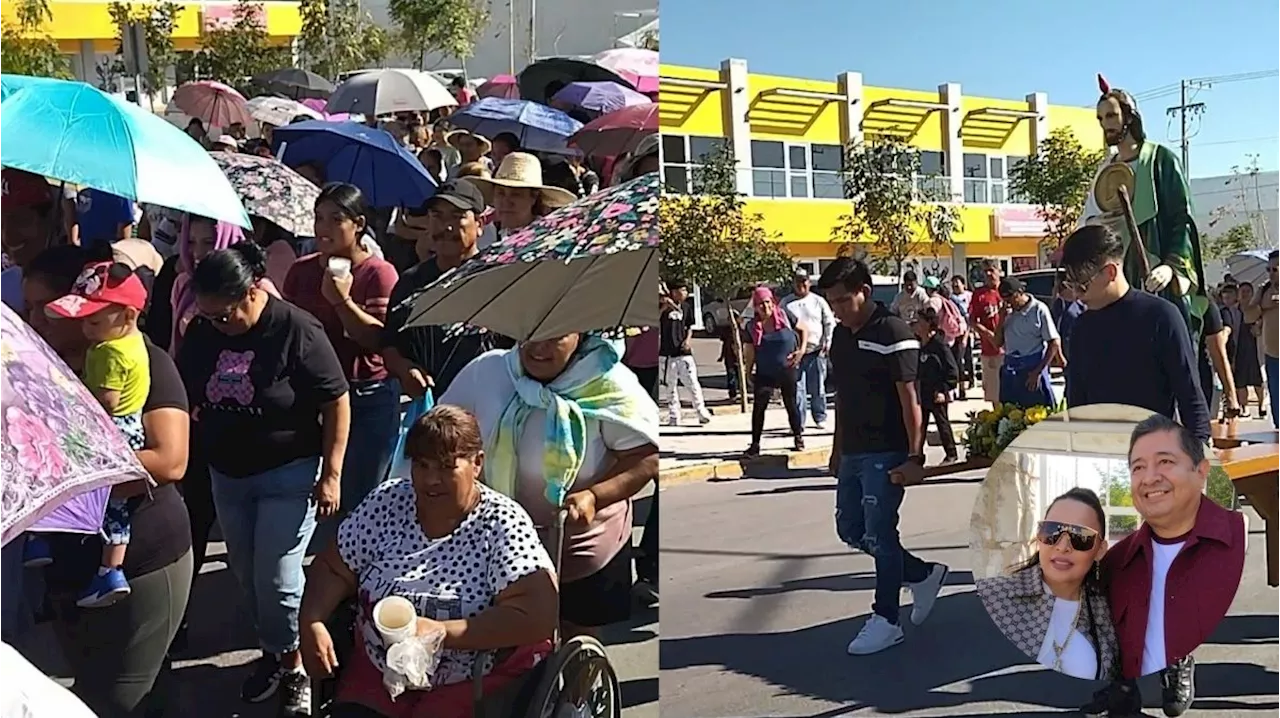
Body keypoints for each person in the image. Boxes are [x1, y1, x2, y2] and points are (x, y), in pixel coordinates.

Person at [178, 242, 351, 715]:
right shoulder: (203, 330)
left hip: (288, 471)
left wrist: (332, 473)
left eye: (224, 315)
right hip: (227, 473)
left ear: (254, 291)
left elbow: (336, 399)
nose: (217, 324)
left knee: (276, 577)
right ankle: (275, 650)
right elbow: (187, 383)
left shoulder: (296, 329)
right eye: (208, 315)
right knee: (246, 576)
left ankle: (295, 664)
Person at [298, 405, 558, 718]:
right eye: (422, 465)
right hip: (380, 669)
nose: (431, 480)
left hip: (473, 678)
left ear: (477, 463)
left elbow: (538, 615)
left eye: (446, 467)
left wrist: (442, 632)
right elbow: (333, 567)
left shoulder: (503, 522)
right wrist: (312, 620)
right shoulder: (388, 502)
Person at [23, 245, 193, 718]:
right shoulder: (36, 367)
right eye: (29, 306)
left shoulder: (145, 362)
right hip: (66, 562)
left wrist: (71, 472)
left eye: (45, 306)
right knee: (106, 685)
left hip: (140, 559)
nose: (34, 318)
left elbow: (170, 461)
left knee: (112, 700)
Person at [438, 334, 659, 640]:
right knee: (506, 640)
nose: (538, 348)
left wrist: (594, 496)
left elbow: (645, 459)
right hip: (499, 541)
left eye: (554, 337)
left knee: (576, 641)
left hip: (582, 542)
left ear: (580, 333)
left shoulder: (610, 382)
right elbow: (439, 429)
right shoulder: (486, 371)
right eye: (531, 335)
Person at [816, 257, 949, 656]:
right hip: (854, 451)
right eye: (832, 303)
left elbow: (911, 400)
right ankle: (922, 574)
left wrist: (915, 456)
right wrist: (837, 449)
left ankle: (887, 618)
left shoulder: (893, 332)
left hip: (887, 450)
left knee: (880, 532)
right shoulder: (841, 337)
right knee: (851, 530)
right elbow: (843, 398)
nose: (838, 309)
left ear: (865, 293)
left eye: (842, 300)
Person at [1088, 414, 1246, 718]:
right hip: (1111, 457)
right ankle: (1122, 683)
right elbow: (1079, 388)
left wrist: (1196, 451)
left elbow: (1187, 386)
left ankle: (1177, 657)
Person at [283, 183, 399, 516]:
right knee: (309, 497)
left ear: (358, 224)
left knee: (359, 501)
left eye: (336, 219)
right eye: (319, 218)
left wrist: (342, 301)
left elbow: (376, 340)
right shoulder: (301, 270)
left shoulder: (379, 273)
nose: (324, 228)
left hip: (366, 396)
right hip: (310, 397)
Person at [43, 261, 153, 608]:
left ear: (128, 316)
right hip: (131, 426)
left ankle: (99, 564)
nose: (86, 330)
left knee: (72, 477)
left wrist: (72, 395)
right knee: (114, 506)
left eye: (94, 321)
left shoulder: (108, 352)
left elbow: (106, 401)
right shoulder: (133, 343)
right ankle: (110, 568)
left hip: (111, 426)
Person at [1079, 75, 1209, 345]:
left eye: (1111, 116)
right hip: (1119, 278)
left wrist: (1172, 267)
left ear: (1129, 116)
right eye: (1101, 119)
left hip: (1156, 275)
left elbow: (1181, 220)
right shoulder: (1106, 171)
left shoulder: (1161, 160)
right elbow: (1090, 222)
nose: (1106, 125)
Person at [1059, 225, 1210, 443]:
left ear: (1110, 272)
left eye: (1082, 286)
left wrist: (1199, 451)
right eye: (1070, 286)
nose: (1076, 296)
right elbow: (1077, 401)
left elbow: (1189, 394)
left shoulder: (1160, 316)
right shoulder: (1082, 327)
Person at [382, 180, 508, 403]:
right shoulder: (412, 282)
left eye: (457, 216)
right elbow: (391, 343)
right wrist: (405, 369)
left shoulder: (499, 281)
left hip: (488, 408)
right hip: (427, 409)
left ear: (479, 224)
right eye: (437, 216)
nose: (446, 227)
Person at [976, 488, 1118, 682]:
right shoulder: (993, 597)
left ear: (1100, 550)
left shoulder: (1109, 611)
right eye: (1052, 531)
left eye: (1080, 537)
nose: (1062, 546)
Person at [743, 285, 807, 457]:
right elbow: (749, 351)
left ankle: (798, 437)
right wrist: (748, 372)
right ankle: (755, 444)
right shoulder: (751, 326)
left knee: (791, 404)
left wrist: (801, 350)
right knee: (759, 407)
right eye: (760, 304)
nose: (765, 307)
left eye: (768, 302)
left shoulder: (785, 316)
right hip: (765, 372)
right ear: (755, 307)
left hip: (787, 369)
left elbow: (804, 329)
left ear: (773, 302)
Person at [0, 168, 62, 313]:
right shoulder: (3, 288)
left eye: (21, 220)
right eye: (0, 225)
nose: (8, 237)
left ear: (52, 218)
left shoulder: (80, 294)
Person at [470, 152, 576, 236]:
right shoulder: (485, 234)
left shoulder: (547, 237)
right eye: (500, 193)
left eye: (516, 194)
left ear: (533, 198)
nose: (506, 202)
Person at [994, 276, 1061, 409]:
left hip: (1032, 368)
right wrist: (1001, 319)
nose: (1009, 304)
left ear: (1020, 292)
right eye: (1004, 300)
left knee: (1037, 412)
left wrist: (1038, 371)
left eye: (1011, 299)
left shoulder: (1038, 309)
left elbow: (1054, 342)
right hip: (1010, 368)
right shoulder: (1006, 313)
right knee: (1010, 414)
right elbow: (997, 343)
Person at [783, 268, 835, 429]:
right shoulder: (786, 303)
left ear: (809, 282)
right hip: (795, 353)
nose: (801, 284)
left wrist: (828, 341)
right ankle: (799, 422)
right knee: (798, 390)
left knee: (818, 388)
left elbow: (829, 322)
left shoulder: (818, 301)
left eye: (804, 281)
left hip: (816, 351)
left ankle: (819, 416)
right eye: (798, 281)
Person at [659, 280, 712, 426]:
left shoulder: (687, 307)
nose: (685, 293)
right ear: (673, 292)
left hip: (684, 352)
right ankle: (674, 415)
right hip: (667, 354)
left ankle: (701, 411)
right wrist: (664, 306)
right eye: (681, 290)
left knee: (692, 383)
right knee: (670, 386)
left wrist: (688, 340)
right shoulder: (662, 306)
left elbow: (690, 326)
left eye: (685, 290)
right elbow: (654, 322)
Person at [912, 307, 959, 463]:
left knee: (942, 423)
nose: (916, 324)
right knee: (919, 426)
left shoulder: (939, 345)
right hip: (921, 392)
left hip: (936, 393)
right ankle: (916, 456)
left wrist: (943, 390)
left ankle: (951, 453)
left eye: (920, 321)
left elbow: (952, 371)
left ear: (928, 324)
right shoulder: (919, 345)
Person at [968, 260, 1005, 407]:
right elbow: (972, 320)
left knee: (1009, 391)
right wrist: (987, 333)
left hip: (1010, 349)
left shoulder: (1006, 291)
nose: (989, 274)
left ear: (999, 271)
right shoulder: (979, 295)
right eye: (985, 271)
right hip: (990, 350)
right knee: (994, 393)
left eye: (991, 270)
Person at [1224, 283, 1263, 416]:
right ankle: (1244, 407)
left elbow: (1264, 322)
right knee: (1241, 382)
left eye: (1247, 291)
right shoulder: (1234, 311)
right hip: (1239, 350)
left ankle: (1261, 404)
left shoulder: (1256, 309)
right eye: (1242, 291)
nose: (1245, 294)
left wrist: (1259, 325)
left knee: (1257, 380)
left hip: (1255, 349)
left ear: (1252, 294)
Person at [1253, 255, 1280, 426]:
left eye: (1274, 270)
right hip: (1272, 354)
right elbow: (1250, 314)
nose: (1270, 274)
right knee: (1277, 399)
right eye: (1268, 270)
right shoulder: (1264, 290)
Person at [949, 275, 974, 399]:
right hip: (955, 332)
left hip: (967, 330)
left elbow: (971, 316)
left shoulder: (970, 296)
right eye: (953, 285)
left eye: (957, 284)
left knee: (968, 357)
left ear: (963, 284)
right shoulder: (950, 299)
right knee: (958, 359)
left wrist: (968, 333)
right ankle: (961, 388)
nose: (955, 287)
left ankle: (971, 378)